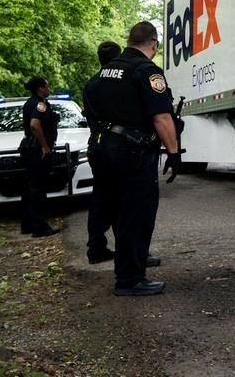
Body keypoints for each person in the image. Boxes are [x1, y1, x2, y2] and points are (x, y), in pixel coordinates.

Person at [84, 22, 180, 296]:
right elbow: (161, 117)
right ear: (154, 43)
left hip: (102, 149)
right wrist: (173, 154)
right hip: (132, 152)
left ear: (128, 40)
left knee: (113, 208)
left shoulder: (99, 75)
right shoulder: (146, 71)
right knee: (136, 213)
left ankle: (127, 264)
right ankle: (129, 279)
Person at [83, 41, 121, 264]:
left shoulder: (92, 83)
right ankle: (130, 251)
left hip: (97, 144)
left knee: (100, 198)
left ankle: (96, 248)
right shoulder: (120, 82)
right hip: (116, 144)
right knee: (124, 199)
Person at [19, 77, 61, 238]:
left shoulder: (28, 102)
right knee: (38, 189)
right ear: (40, 88)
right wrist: (44, 146)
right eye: (47, 85)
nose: (49, 88)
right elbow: (34, 125)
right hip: (37, 150)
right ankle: (39, 226)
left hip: (29, 149)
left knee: (29, 188)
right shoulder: (41, 104)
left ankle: (27, 224)